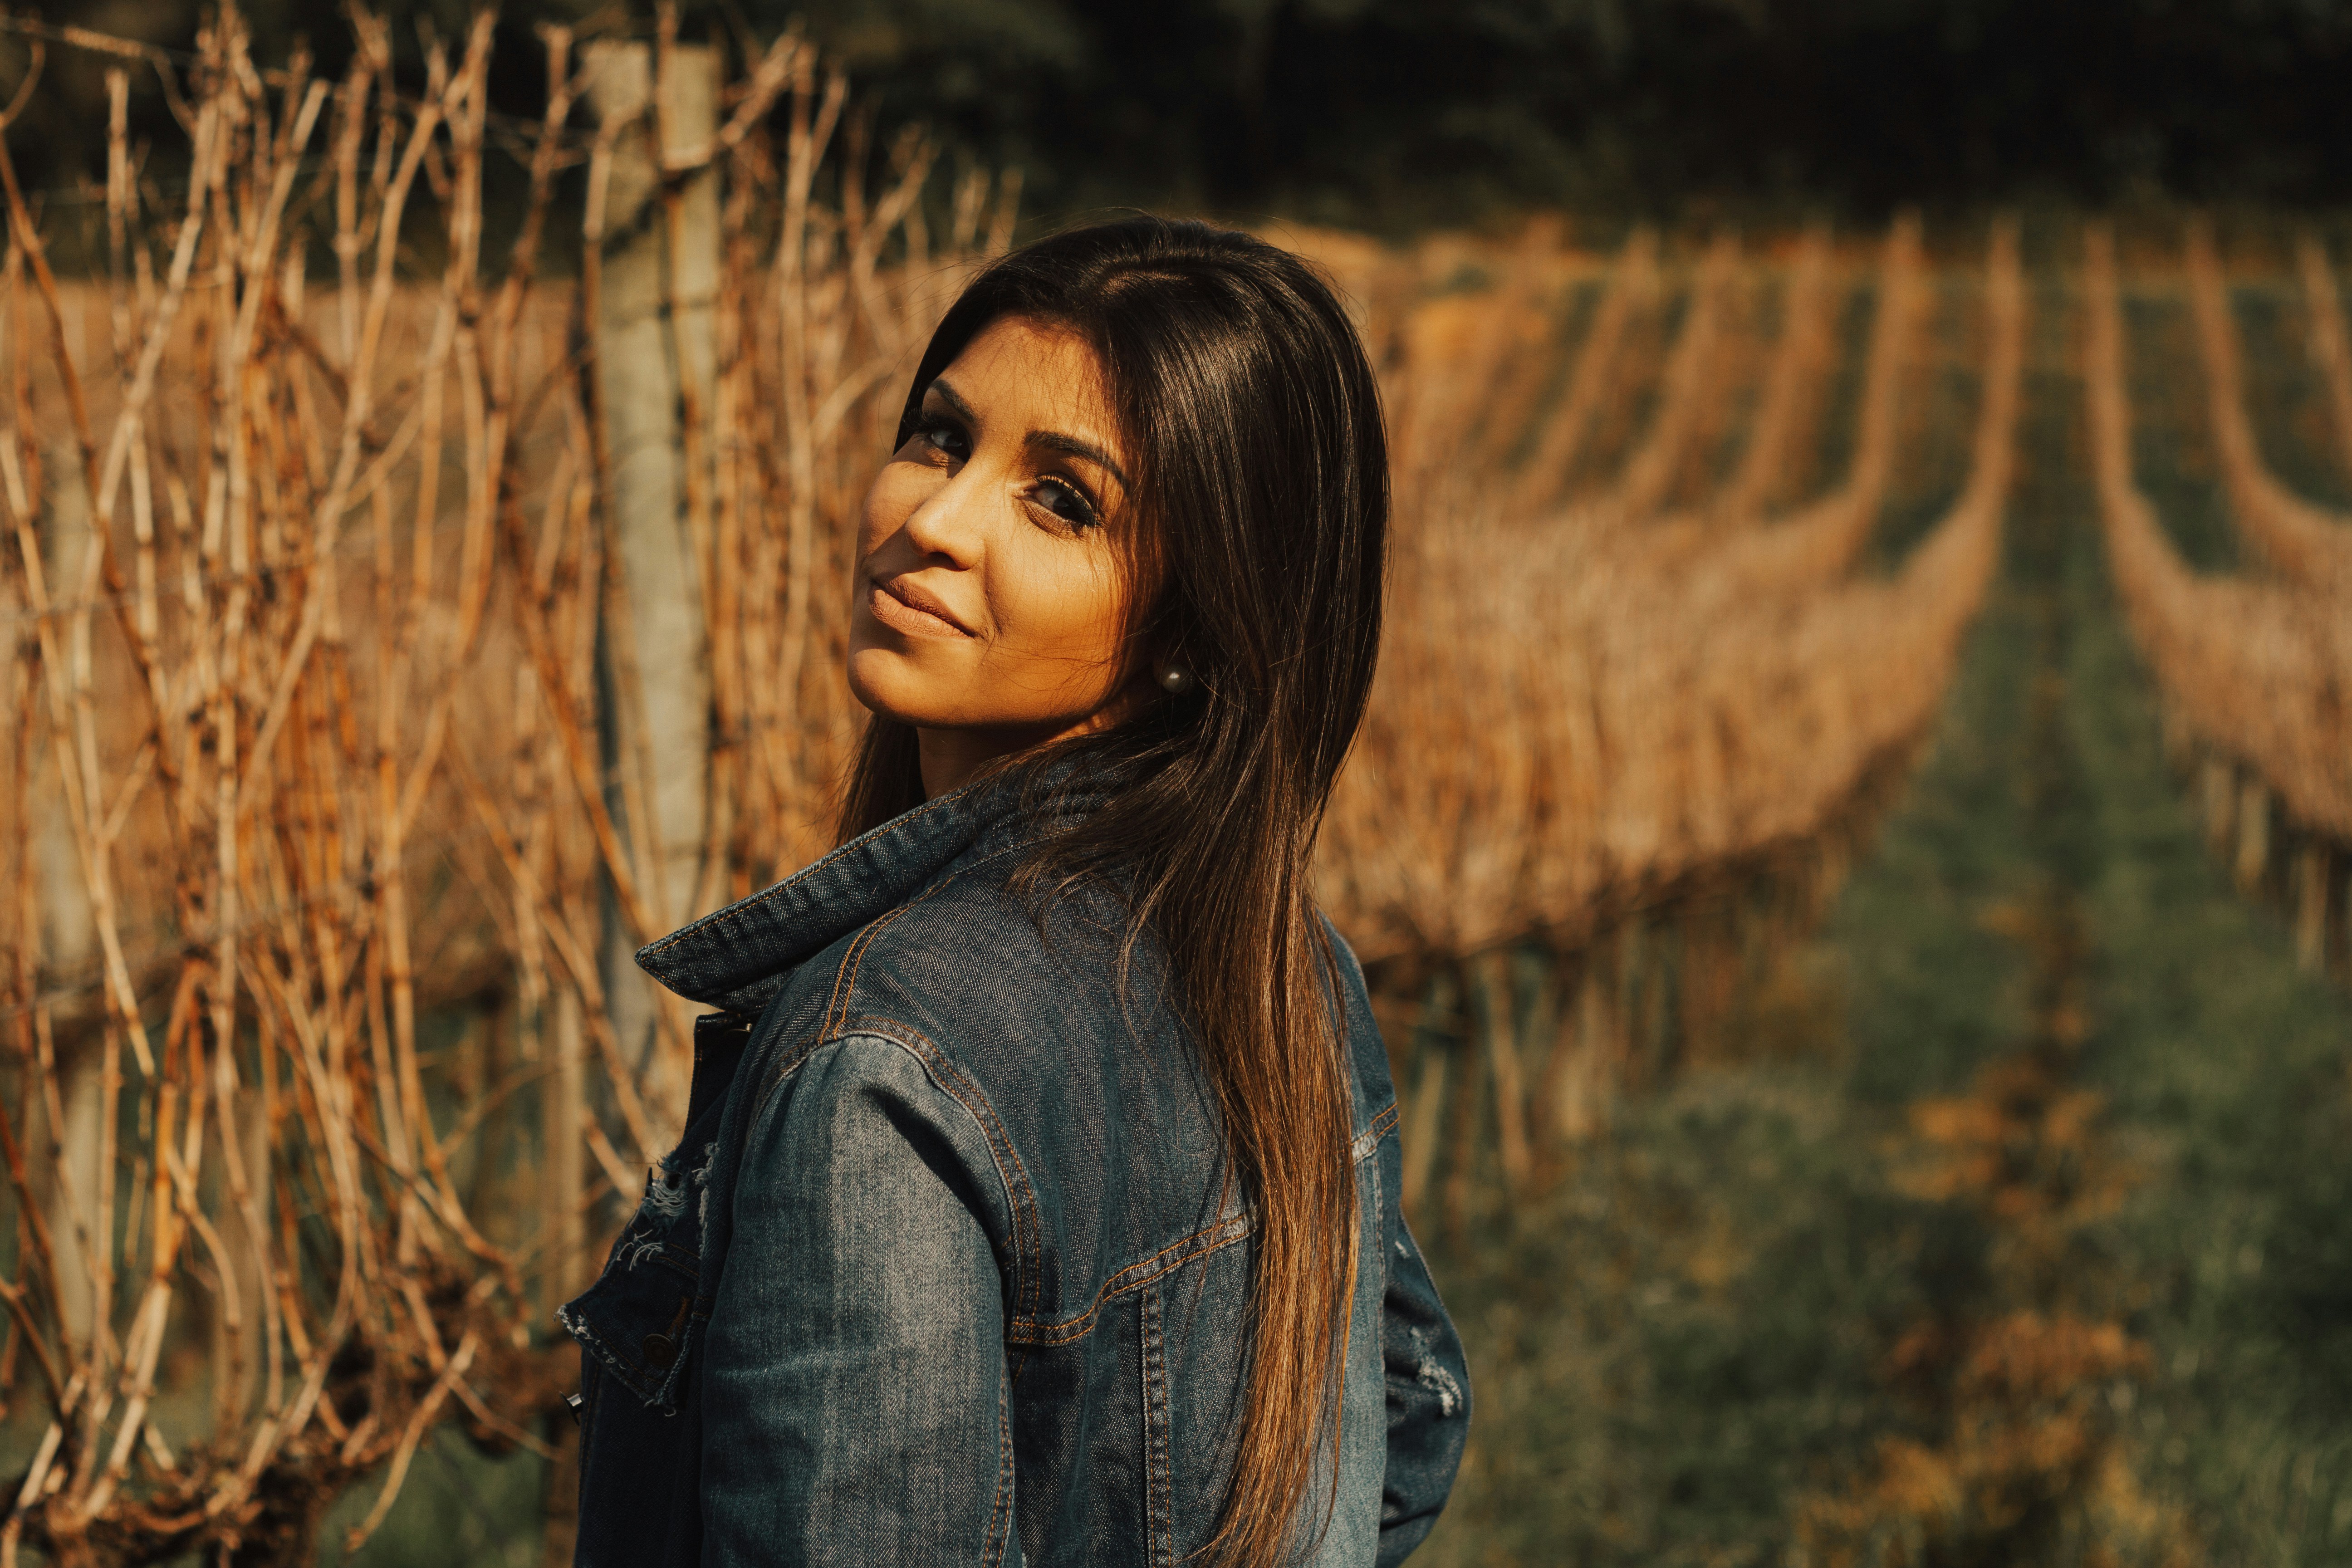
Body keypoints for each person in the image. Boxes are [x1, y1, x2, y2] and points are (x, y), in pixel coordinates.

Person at [559, 215, 1469, 1567]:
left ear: (1196, 627)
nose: (931, 519)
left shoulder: (885, 1059)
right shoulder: (1289, 967)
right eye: (941, 435)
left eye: (1063, 500)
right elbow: (1410, 1424)